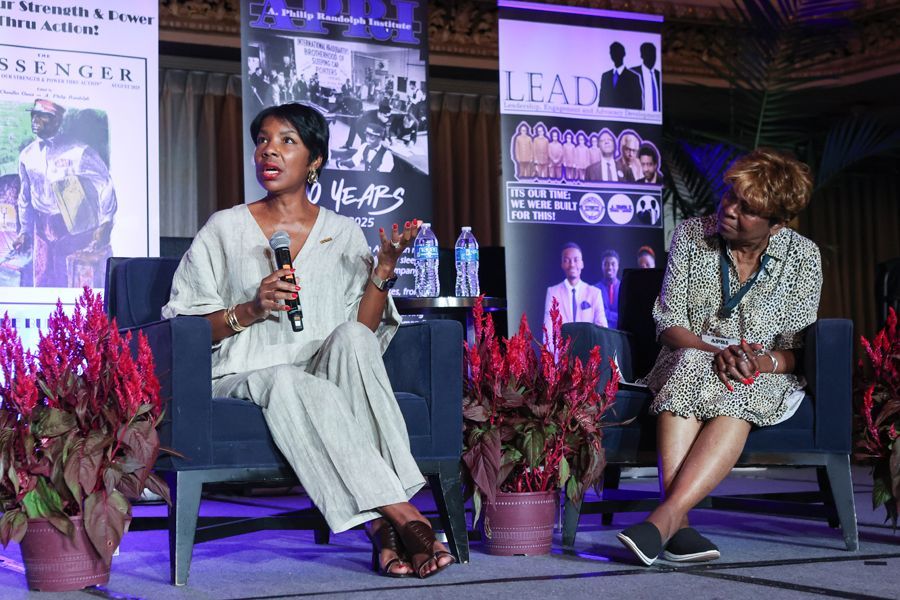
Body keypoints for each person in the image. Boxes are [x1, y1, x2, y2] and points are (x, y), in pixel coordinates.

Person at [161, 103, 455, 579]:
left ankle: (383, 533)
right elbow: (185, 328)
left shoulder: (342, 232)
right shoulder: (224, 228)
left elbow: (363, 332)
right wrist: (250, 310)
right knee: (288, 381)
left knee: (354, 343)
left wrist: (380, 275)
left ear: (314, 160)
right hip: (245, 373)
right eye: (262, 140)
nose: (268, 150)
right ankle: (406, 517)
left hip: (320, 367)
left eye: (286, 141)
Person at [617, 148, 821, 567]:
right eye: (730, 196)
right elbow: (668, 323)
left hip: (761, 370)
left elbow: (797, 348)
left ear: (776, 223)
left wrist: (757, 363)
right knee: (693, 364)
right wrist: (717, 352)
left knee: (741, 384)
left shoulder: (803, 257)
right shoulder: (692, 235)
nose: (729, 209)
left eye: (747, 209)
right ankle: (679, 523)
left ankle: (666, 518)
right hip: (689, 354)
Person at [12, 99, 117, 288]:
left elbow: (105, 184)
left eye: (42, 116)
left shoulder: (78, 152)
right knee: (43, 279)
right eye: (33, 114)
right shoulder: (27, 156)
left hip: (72, 226)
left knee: (72, 280)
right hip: (41, 227)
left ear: (56, 121)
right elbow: (25, 196)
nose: (35, 119)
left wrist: (106, 221)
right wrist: (25, 231)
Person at [544, 243, 607, 339]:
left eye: (576, 260)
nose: (572, 264)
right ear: (562, 264)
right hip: (561, 352)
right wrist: (553, 354)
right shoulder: (553, 292)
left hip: (588, 351)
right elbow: (548, 330)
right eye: (567, 260)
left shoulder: (595, 293)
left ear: (582, 263)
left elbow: (602, 329)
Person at [598, 42, 642, 109]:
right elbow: (601, 101)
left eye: (617, 52)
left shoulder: (633, 77)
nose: (614, 55)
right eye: (612, 52)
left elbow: (638, 104)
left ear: (623, 54)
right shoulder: (605, 76)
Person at [632, 42, 662, 112]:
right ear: (642, 55)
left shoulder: (659, 75)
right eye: (649, 54)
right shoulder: (632, 73)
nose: (652, 57)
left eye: (654, 54)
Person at [594, 249, 620, 329]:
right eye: (606, 264)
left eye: (613, 264)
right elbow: (596, 313)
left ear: (618, 266)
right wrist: (618, 316)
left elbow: (627, 314)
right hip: (601, 333)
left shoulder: (625, 287)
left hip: (622, 333)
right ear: (602, 266)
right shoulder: (594, 289)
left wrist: (606, 313)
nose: (609, 267)